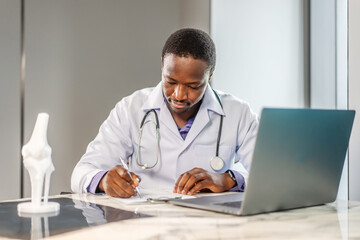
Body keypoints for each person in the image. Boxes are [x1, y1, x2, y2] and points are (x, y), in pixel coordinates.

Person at [71, 28, 258, 198]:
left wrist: (228, 180)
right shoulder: (131, 109)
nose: (178, 95)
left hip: (210, 222)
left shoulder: (238, 113)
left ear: (209, 76)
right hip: (147, 221)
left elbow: (276, 178)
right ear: (162, 67)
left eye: (193, 86)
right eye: (170, 81)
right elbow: (81, 172)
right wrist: (104, 180)